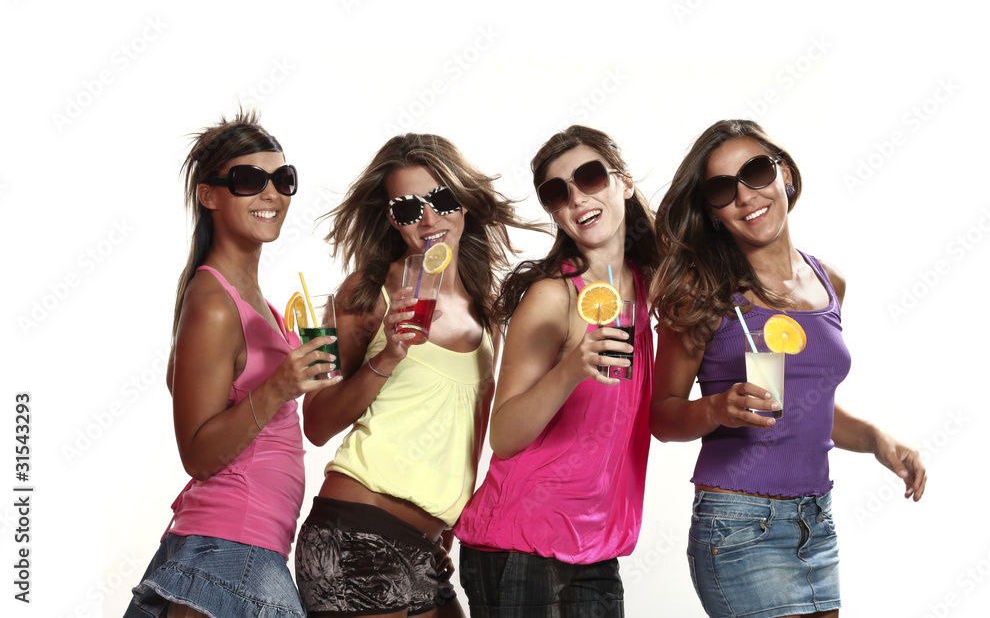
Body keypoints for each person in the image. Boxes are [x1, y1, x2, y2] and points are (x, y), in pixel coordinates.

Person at [649, 119, 928, 618]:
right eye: (722, 189)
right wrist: (716, 408)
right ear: (713, 213)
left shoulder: (829, 282)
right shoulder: (702, 293)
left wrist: (877, 440)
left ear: (785, 175)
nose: (745, 196)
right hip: (739, 525)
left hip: (816, 521)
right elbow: (661, 417)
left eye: (756, 172)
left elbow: (804, 407)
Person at [294, 133, 537, 618]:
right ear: (393, 220)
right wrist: (387, 357)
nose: (428, 219)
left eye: (441, 200)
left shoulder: (488, 312)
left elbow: (469, 433)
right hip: (355, 532)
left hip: (426, 547)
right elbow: (316, 423)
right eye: (407, 209)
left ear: (463, 203)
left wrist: (447, 528)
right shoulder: (366, 294)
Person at [125, 109, 340, 618]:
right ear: (209, 195)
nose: (272, 194)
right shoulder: (214, 303)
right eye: (249, 180)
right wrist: (279, 385)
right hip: (230, 547)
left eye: (283, 179)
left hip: (244, 547)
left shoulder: (257, 302)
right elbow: (197, 455)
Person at [454, 125, 660, 617]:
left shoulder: (646, 285)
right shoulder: (553, 295)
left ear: (625, 183)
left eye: (590, 177)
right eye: (557, 193)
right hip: (523, 541)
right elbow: (504, 435)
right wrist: (571, 368)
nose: (577, 198)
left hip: (594, 548)